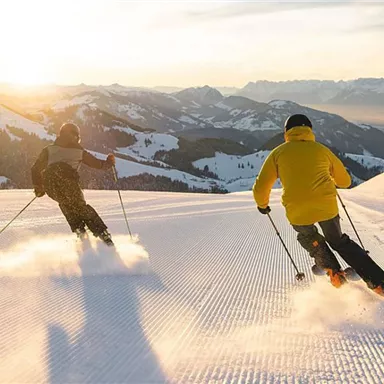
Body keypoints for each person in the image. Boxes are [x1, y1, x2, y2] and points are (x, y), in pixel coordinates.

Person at [253, 114, 384, 295]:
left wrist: (262, 205)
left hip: (297, 210)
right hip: (326, 207)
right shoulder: (322, 150)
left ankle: (333, 270)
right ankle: (379, 282)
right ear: (310, 130)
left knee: (309, 238)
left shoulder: (277, 153)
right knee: (339, 241)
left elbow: (261, 186)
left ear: (287, 132)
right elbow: (345, 181)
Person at [31, 122, 116, 246]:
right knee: (80, 206)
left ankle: (80, 232)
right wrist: (109, 163)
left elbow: (35, 169)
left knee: (66, 205)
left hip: (50, 185)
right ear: (76, 136)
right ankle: (103, 235)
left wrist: (38, 187)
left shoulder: (48, 150)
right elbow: (97, 164)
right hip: (68, 182)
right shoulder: (78, 151)